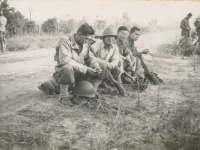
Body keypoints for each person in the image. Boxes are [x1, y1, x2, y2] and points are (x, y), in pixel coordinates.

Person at [38, 23, 102, 104]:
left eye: (88, 39)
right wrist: (85, 69)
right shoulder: (65, 42)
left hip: (78, 73)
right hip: (64, 73)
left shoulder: (85, 44)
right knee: (67, 67)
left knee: (101, 68)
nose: (87, 41)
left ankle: (88, 91)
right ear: (79, 34)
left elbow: (90, 58)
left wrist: (96, 66)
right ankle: (64, 95)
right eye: (85, 38)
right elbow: (65, 60)